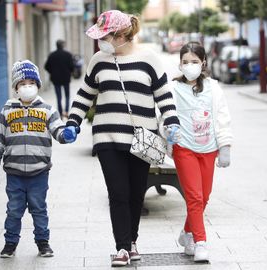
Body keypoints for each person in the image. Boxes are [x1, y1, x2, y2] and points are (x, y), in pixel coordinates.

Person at [65, 10, 181, 267]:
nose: (101, 41)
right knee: (118, 193)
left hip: (141, 138)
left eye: (105, 36)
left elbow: (163, 95)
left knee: (136, 193)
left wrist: (172, 121)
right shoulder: (99, 60)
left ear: (121, 34)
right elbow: (85, 95)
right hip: (107, 136)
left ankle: (132, 242)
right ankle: (122, 247)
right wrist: (72, 122)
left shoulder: (149, 59)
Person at [0, 60, 78, 258]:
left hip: (39, 172)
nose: (27, 87)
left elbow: (58, 131)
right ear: (16, 88)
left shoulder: (47, 110)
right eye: (22, 84)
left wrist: (67, 134)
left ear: (38, 85)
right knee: (14, 210)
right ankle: (10, 244)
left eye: (31, 82)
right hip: (14, 173)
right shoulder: (7, 111)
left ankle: (43, 243)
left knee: (39, 209)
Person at [161, 42, 233, 262]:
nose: (189, 65)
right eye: (185, 62)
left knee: (204, 197)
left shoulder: (214, 88)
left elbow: (222, 117)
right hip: (184, 148)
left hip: (209, 148)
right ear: (180, 64)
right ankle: (201, 242)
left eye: (194, 61)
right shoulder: (172, 89)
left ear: (203, 63)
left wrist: (225, 146)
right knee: (194, 197)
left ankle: (187, 234)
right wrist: (168, 130)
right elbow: (163, 114)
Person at [45, 39, 74, 118]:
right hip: (66, 78)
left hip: (56, 79)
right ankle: (67, 112)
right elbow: (72, 67)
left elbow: (46, 66)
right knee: (67, 96)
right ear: (63, 45)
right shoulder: (68, 55)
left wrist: (52, 72)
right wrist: (69, 72)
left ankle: (60, 113)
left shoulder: (52, 55)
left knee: (59, 97)